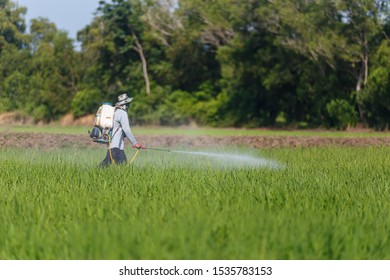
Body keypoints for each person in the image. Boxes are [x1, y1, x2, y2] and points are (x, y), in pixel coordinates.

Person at [100, 93, 142, 167]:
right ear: (124, 104)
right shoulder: (122, 113)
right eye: (128, 104)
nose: (129, 105)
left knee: (120, 165)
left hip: (114, 144)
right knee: (109, 164)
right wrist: (135, 143)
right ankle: (92, 174)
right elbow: (126, 130)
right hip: (115, 145)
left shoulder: (115, 111)